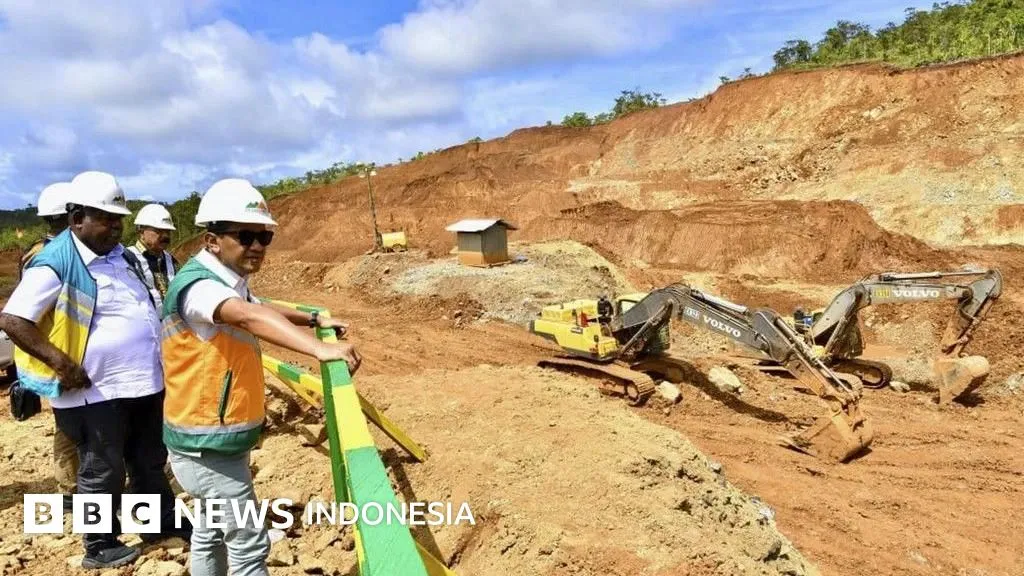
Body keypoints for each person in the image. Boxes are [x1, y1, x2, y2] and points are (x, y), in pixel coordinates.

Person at [161, 178, 360, 576]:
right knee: (248, 545)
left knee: (210, 531)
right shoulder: (199, 287)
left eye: (264, 237)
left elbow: (258, 305)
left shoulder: (222, 279)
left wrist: (313, 318)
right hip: (206, 445)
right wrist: (318, 347)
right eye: (246, 235)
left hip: (208, 438)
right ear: (212, 240)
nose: (257, 245)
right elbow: (248, 315)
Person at [0, 171, 188, 570]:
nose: (116, 226)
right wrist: (62, 363)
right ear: (76, 218)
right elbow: (14, 319)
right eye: (106, 218)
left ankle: (156, 523)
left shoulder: (122, 258)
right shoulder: (56, 262)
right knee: (101, 467)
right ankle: (98, 544)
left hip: (142, 384)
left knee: (147, 458)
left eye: (119, 218)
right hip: (94, 390)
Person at [15, 182, 79, 510]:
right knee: (68, 422)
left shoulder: (48, 250)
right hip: (60, 349)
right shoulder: (46, 255)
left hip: (68, 346)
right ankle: (69, 490)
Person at [128, 204, 179, 311]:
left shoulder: (171, 260)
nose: (165, 236)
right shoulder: (127, 259)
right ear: (141, 231)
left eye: (168, 231)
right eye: (159, 230)